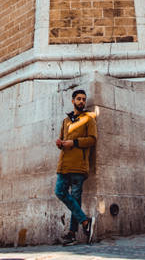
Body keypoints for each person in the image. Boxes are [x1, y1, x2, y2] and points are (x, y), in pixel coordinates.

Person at [55, 89, 97, 246]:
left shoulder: (89, 119)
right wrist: (60, 143)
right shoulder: (66, 121)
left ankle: (72, 234)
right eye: (79, 99)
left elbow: (92, 139)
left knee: (76, 199)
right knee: (59, 192)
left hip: (79, 166)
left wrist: (74, 142)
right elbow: (62, 139)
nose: (81, 101)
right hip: (64, 164)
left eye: (84, 99)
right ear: (73, 101)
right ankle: (85, 222)